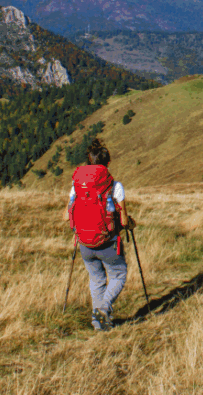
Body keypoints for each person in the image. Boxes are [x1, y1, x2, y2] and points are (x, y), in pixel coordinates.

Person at [65, 138, 136, 331]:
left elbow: (67, 213)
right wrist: (130, 223)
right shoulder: (115, 186)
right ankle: (104, 309)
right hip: (108, 242)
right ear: (108, 164)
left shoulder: (77, 186)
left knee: (96, 280)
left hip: (84, 243)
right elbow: (122, 220)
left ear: (88, 163)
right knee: (119, 274)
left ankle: (100, 325)